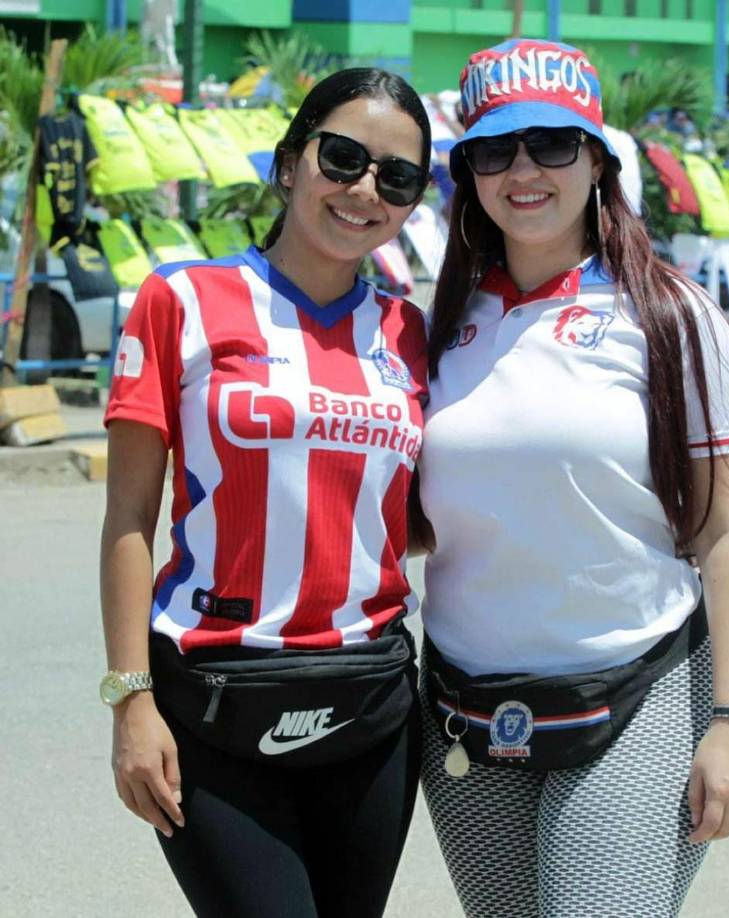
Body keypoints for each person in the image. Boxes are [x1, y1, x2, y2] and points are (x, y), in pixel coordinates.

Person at [414, 39, 729, 917]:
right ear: (469, 173)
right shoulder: (439, 324)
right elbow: (420, 516)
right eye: (494, 149)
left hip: (635, 690)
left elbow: (726, 534)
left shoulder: (671, 316)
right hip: (462, 706)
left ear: (599, 161)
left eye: (551, 143)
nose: (522, 170)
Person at [99, 68, 431, 918]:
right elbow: (130, 518)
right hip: (212, 706)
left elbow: (416, 514)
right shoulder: (181, 301)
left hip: (371, 709)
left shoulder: (408, 329)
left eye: (397, 176)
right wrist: (130, 700)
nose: (365, 190)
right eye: (344, 158)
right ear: (289, 164)